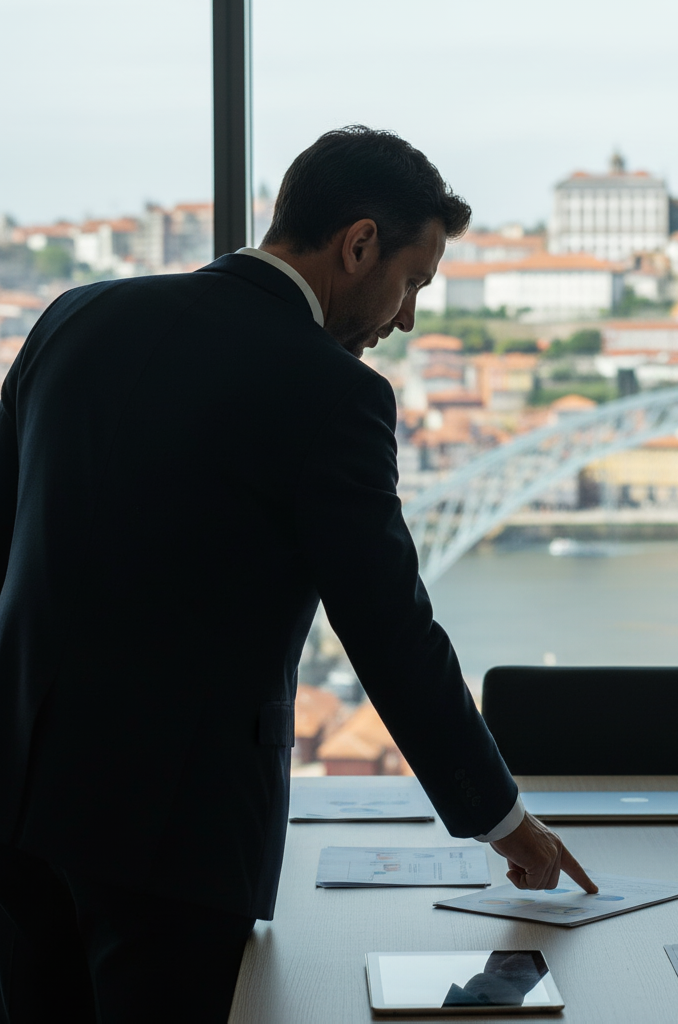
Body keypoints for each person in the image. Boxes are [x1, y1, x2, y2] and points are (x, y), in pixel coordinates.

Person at [0, 126, 595, 1024]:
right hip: (179, 839)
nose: (406, 319)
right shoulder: (333, 392)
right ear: (358, 245)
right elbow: (391, 631)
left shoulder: (74, 318)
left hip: (19, 802)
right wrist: (502, 821)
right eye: (413, 283)